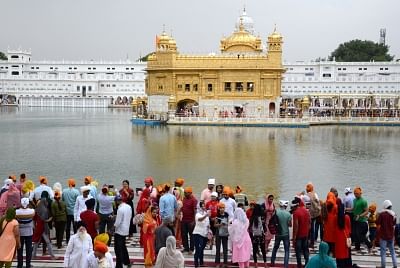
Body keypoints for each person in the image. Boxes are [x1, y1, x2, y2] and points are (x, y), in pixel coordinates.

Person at [32, 191, 56, 259]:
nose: (47, 203)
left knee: (36, 242)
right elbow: (44, 220)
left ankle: (33, 256)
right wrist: (50, 219)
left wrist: (34, 226)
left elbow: (34, 219)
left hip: (38, 227)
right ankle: (52, 256)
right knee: (48, 242)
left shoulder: (37, 209)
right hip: (43, 227)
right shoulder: (45, 210)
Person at [376, 200, 398, 268]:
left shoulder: (382, 214)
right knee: (392, 251)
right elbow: (394, 224)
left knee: (383, 252)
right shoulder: (393, 214)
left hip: (383, 236)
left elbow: (377, 223)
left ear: (384, 206)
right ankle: (395, 266)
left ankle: (383, 266)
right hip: (391, 236)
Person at [271, 200, 292, 268]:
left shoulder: (276, 212)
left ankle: (272, 262)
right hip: (285, 234)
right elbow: (290, 225)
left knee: (275, 248)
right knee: (287, 250)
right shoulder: (288, 214)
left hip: (278, 233)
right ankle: (285, 265)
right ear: (286, 206)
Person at [113, 195, 132, 268]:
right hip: (126, 229)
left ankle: (119, 266)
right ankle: (127, 262)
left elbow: (118, 222)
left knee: (118, 249)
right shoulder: (128, 207)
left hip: (119, 231)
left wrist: (112, 229)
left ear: (117, 201)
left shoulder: (120, 210)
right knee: (123, 246)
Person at [16, 197, 35, 268]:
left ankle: (19, 264)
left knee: (19, 249)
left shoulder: (17, 212)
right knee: (28, 249)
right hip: (29, 232)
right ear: (28, 203)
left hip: (20, 232)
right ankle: (28, 264)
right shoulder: (32, 211)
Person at [292, 196, 310, 268]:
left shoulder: (296, 213)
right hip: (305, 234)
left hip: (299, 236)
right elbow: (309, 223)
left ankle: (299, 265)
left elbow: (296, 226)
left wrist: (294, 238)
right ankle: (307, 263)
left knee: (298, 251)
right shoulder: (306, 211)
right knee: (305, 250)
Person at [352, 187, 372, 252]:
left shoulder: (363, 201)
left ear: (360, 193)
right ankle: (357, 247)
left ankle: (369, 245)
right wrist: (347, 209)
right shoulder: (354, 200)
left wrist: (360, 215)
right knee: (355, 234)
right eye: (355, 193)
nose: (355, 195)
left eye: (357, 193)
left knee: (360, 235)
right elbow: (353, 209)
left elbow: (366, 211)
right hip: (355, 219)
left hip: (361, 221)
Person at [193, 201, 210, 268]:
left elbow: (207, 223)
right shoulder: (197, 214)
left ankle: (201, 262)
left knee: (202, 249)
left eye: (204, 206)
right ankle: (196, 263)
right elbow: (199, 220)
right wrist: (206, 215)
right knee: (198, 249)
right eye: (202, 206)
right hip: (197, 233)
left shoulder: (206, 213)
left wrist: (209, 226)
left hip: (204, 234)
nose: (203, 207)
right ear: (199, 207)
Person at [335, 202, 352, 268]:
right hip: (345, 237)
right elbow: (349, 228)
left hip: (338, 238)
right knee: (346, 254)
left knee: (339, 255)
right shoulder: (347, 217)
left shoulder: (335, 217)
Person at [181, 186, 197, 254]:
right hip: (184, 219)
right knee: (184, 234)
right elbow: (182, 207)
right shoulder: (184, 198)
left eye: (186, 193)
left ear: (190, 193)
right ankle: (186, 248)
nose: (184, 194)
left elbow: (195, 211)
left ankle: (191, 249)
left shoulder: (194, 200)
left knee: (191, 235)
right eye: (184, 192)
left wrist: (194, 221)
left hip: (191, 221)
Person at [62, 178, 80, 243]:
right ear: (73, 184)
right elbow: (78, 202)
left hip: (67, 211)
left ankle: (67, 240)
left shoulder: (64, 191)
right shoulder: (76, 192)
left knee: (68, 227)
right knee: (75, 226)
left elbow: (63, 201)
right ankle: (75, 239)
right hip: (74, 212)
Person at [305, 183, 321, 248]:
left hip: (308, 214)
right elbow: (318, 202)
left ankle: (308, 240)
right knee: (312, 227)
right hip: (314, 213)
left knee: (308, 228)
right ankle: (312, 242)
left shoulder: (306, 196)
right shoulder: (315, 194)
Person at [215, 202, 229, 267]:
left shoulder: (227, 215)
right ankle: (217, 263)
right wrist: (220, 224)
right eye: (220, 208)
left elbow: (229, 223)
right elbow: (215, 225)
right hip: (218, 232)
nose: (222, 209)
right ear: (219, 208)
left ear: (224, 208)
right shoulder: (217, 216)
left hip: (225, 232)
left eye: (223, 208)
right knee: (218, 248)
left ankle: (225, 263)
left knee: (225, 248)